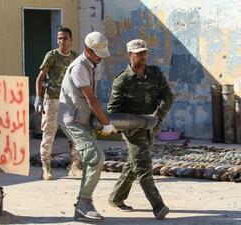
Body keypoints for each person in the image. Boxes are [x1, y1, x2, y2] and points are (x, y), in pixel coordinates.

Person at [107, 39, 174, 220]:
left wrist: (157, 116)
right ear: (130, 55)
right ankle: (158, 206)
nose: (143, 56)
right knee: (144, 166)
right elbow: (113, 111)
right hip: (133, 131)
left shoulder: (155, 74)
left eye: (145, 52)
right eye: (139, 53)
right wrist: (125, 127)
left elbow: (167, 95)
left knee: (133, 163)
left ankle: (116, 197)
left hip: (152, 127)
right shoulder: (122, 80)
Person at [58, 31, 116, 221]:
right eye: (97, 54)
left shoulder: (94, 64)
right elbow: (92, 99)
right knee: (96, 157)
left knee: (91, 159)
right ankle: (83, 203)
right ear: (87, 50)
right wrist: (106, 124)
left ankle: (83, 205)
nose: (100, 57)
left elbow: (92, 97)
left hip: (84, 119)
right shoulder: (79, 67)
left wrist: (94, 119)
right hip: (72, 121)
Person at [34, 27, 80, 180]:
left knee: (74, 133)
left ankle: (74, 166)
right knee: (49, 133)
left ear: (71, 40)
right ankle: (46, 167)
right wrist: (39, 98)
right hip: (52, 99)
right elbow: (40, 78)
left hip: (69, 101)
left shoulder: (74, 57)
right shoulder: (52, 56)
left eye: (65, 38)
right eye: (59, 38)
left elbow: (79, 78)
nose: (62, 41)